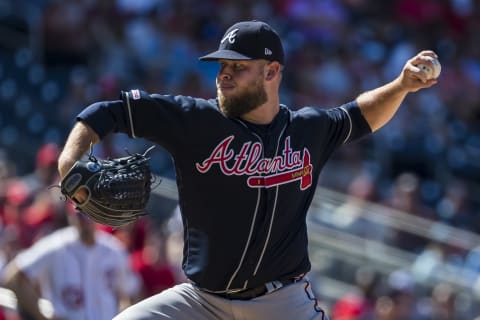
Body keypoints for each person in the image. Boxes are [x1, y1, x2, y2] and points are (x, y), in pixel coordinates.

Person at [57, 20, 438, 320]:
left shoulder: (307, 130)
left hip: (282, 304)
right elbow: (105, 113)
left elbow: (359, 115)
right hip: (201, 302)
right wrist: (70, 161)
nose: (223, 74)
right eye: (222, 65)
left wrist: (402, 85)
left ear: (271, 72)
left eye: (237, 67)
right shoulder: (195, 119)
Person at [1, 203, 140, 320]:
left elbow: (130, 293)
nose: (84, 221)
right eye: (79, 215)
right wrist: (41, 316)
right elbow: (13, 276)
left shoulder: (114, 249)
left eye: (89, 214)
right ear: (71, 216)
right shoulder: (55, 245)